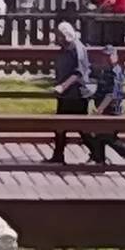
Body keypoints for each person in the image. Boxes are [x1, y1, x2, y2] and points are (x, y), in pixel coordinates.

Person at [51, 21, 96, 164]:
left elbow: (79, 73)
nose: (57, 38)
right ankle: (58, 155)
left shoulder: (78, 48)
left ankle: (97, 153)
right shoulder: (64, 49)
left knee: (81, 127)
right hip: (65, 95)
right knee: (59, 126)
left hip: (77, 94)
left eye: (59, 35)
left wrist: (63, 86)